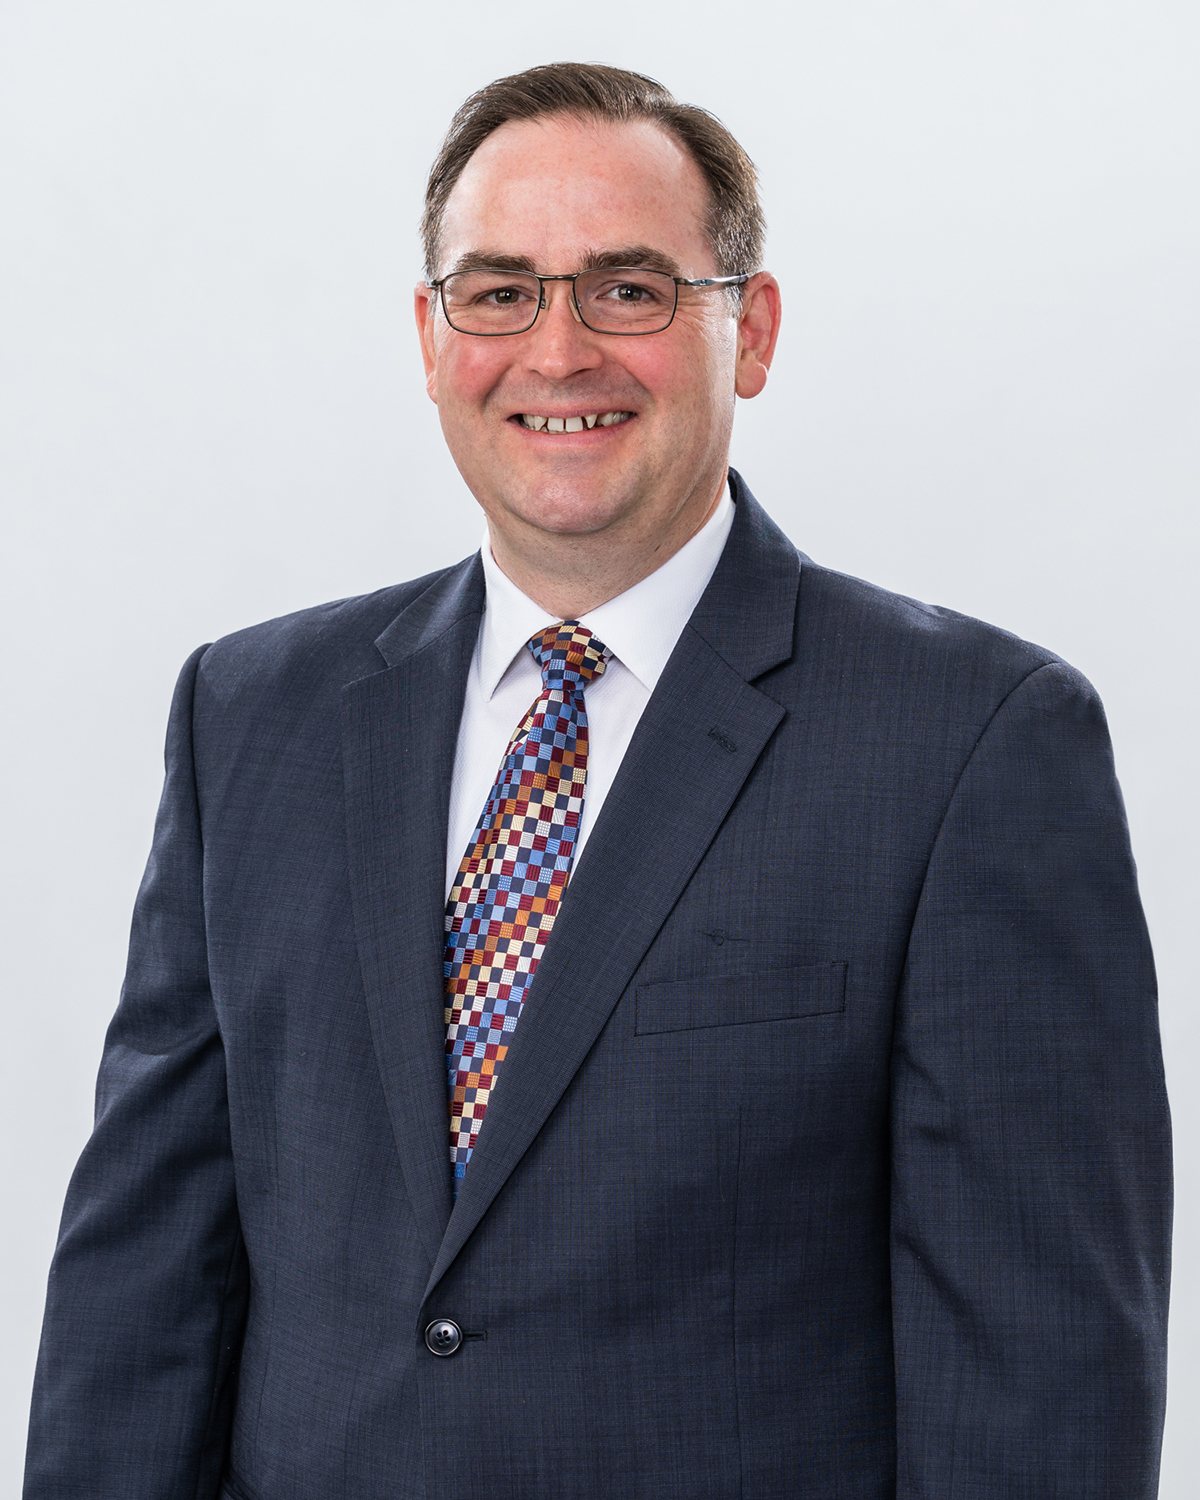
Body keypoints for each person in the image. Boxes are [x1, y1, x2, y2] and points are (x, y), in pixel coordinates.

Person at [24, 62, 1170, 1500]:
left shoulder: (974, 744)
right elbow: (138, 1299)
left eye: (629, 290)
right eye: (499, 292)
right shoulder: (251, 716)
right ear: (432, 337)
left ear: (750, 331)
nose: (557, 350)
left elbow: (1040, 1385)